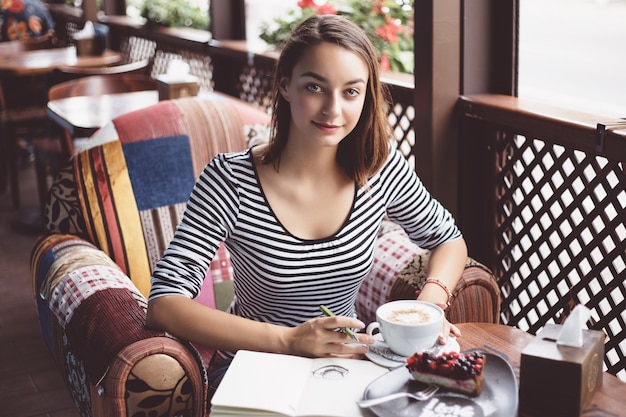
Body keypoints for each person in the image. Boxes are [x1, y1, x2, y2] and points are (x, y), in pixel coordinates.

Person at [146, 13, 468, 402]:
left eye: (352, 91)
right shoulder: (230, 180)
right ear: (284, 84)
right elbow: (164, 304)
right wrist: (290, 340)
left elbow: (447, 239)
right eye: (315, 87)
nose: (333, 109)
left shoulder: (378, 170)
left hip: (348, 364)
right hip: (252, 367)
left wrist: (430, 305)